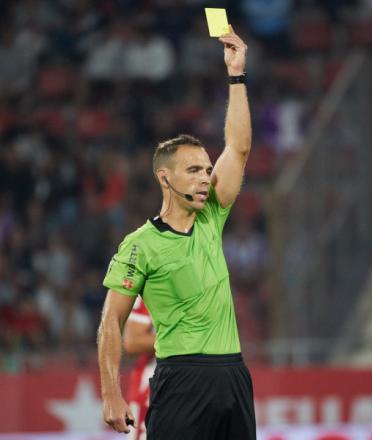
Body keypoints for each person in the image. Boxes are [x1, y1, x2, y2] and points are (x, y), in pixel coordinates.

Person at [97, 27, 256, 439]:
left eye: (207, 170)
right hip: (181, 380)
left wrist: (236, 77)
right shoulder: (139, 245)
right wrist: (111, 391)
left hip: (233, 376)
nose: (206, 178)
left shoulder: (212, 217)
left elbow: (237, 148)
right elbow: (111, 322)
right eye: (194, 170)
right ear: (164, 178)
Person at [123, 297, 156, 440]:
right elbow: (132, 341)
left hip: (199, 385)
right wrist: (185, 339)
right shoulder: (154, 284)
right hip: (153, 392)